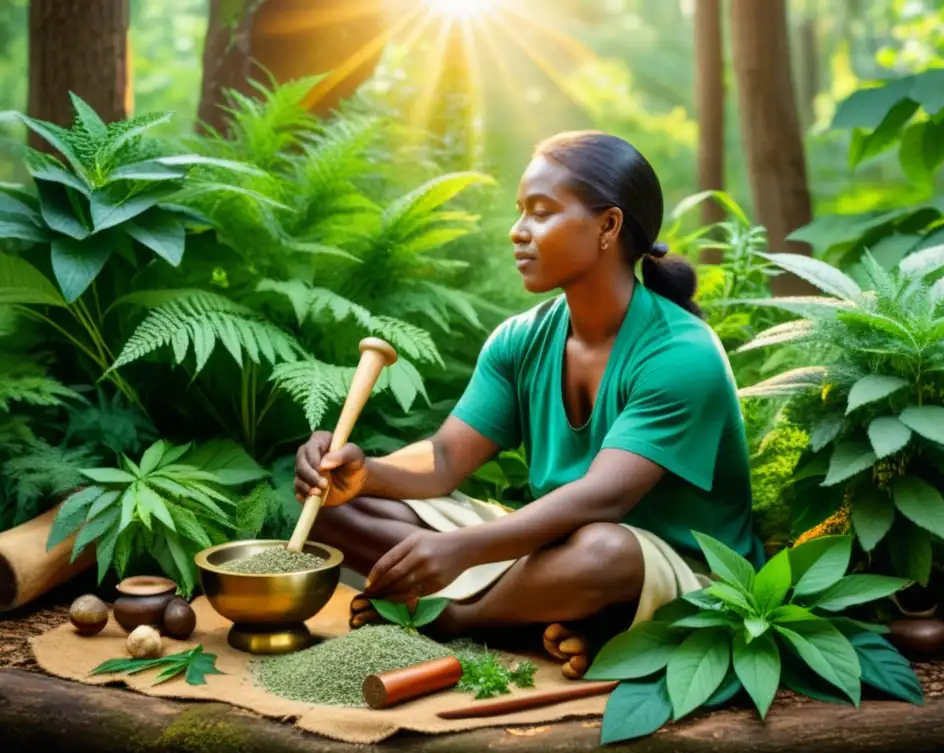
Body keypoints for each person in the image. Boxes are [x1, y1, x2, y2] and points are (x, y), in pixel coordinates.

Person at [295, 130, 762, 678]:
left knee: (603, 552)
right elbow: (445, 459)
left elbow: (600, 499)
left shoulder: (681, 353)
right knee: (331, 507)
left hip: (675, 568)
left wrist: (465, 551)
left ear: (608, 226)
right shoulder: (520, 338)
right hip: (550, 545)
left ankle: (455, 620)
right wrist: (363, 474)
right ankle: (550, 618)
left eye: (541, 213)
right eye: (520, 212)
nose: (517, 232)